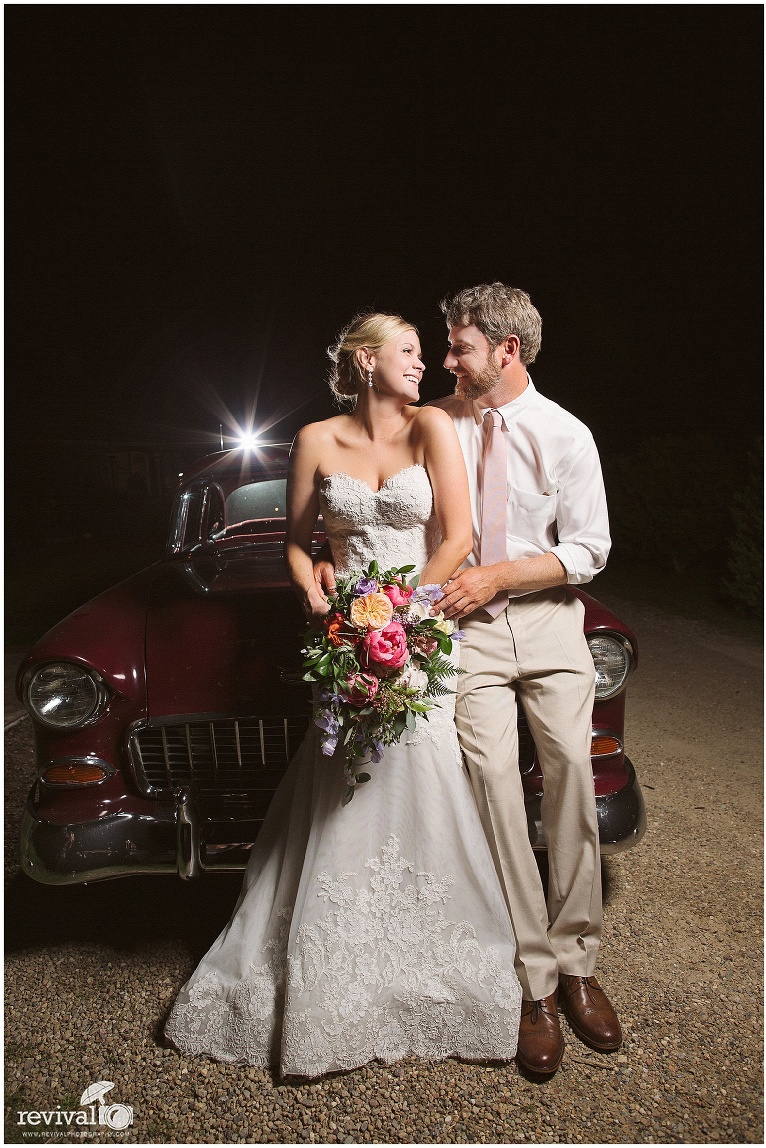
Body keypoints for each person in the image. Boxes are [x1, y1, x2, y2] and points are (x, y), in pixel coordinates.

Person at [164, 312, 522, 1078]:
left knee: (423, 775)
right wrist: (318, 596)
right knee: (343, 780)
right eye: (408, 352)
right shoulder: (317, 440)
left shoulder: (432, 426)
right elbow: (300, 544)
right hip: (342, 636)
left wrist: (401, 612)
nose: (423, 364)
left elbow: (455, 537)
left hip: (417, 628)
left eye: (426, 354)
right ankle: (332, 963)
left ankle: (432, 953)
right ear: (365, 361)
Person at [429, 282, 621, 1077]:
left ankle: (580, 963)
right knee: (495, 791)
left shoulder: (566, 435)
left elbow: (589, 549)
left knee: (574, 772)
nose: (448, 360)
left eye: (460, 347)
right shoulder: (435, 424)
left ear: (506, 350)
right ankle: (532, 980)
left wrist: (503, 576)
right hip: (463, 634)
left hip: (545, 621)